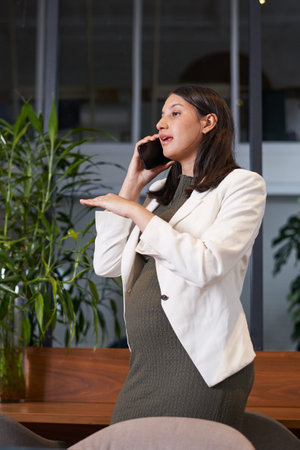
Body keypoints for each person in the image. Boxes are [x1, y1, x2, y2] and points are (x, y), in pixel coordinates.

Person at [80, 85, 266, 432]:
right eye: (162, 114)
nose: (161, 123)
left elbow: (206, 264)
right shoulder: (156, 196)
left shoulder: (241, 185)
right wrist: (132, 186)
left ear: (208, 122)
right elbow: (105, 264)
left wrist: (138, 214)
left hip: (201, 368)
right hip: (146, 368)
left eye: (175, 113)